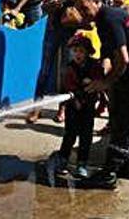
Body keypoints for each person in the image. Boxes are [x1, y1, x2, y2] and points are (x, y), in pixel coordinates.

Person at [76, 0, 129, 189]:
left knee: (124, 124)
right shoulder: (103, 22)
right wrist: (103, 72)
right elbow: (108, 52)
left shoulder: (110, 18)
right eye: (80, 10)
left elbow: (124, 58)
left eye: (85, 8)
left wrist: (105, 83)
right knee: (119, 117)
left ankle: (108, 174)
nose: (82, 13)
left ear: (97, 2)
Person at [47, 33, 103, 179]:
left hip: (88, 108)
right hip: (73, 108)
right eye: (75, 51)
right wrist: (73, 99)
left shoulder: (94, 66)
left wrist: (91, 83)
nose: (78, 54)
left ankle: (82, 164)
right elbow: (67, 87)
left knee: (86, 137)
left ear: (88, 52)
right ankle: (63, 160)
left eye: (81, 51)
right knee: (70, 135)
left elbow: (98, 83)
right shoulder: (70, 68)